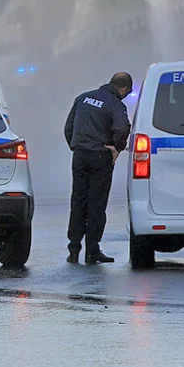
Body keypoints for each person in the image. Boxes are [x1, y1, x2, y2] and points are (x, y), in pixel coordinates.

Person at [63, 72, 133, 264]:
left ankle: (74, 249)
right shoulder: (116, 104)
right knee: (96, 204)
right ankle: (92, 250)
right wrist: (116, 148)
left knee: (78, 201)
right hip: (100, 157)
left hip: (79, 156)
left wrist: (76, 146)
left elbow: (68, 127)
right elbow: (122, 128)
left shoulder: (83, 98)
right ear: (124, 88)